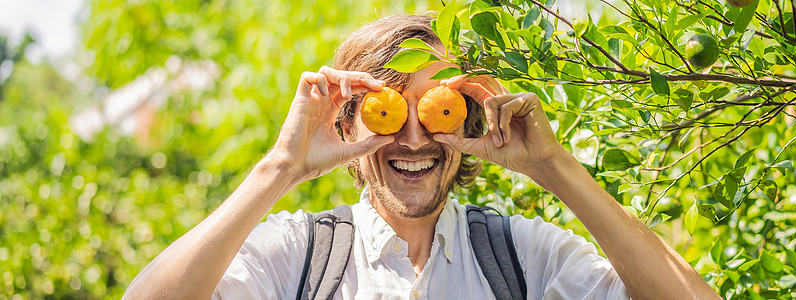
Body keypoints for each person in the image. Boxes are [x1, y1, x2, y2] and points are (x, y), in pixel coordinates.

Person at [123, 15, 719, 299]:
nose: (413, 139)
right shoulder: (296, 257)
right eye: (387, 111)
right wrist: (282, 166)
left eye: (436, 111)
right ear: (346, 124)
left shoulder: (526, 258)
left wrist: (551, 165)